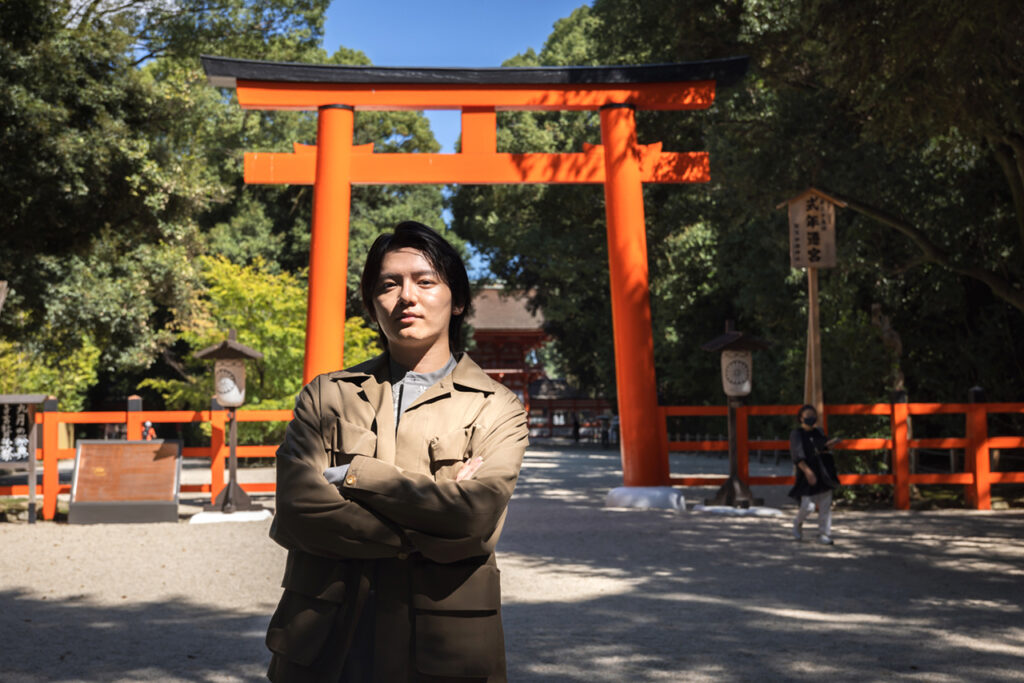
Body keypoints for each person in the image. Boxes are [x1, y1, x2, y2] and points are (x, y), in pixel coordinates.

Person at [265, 221, 529, 682]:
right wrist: (430, 522)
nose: (407, 296)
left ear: (458, 300)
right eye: (389, 285)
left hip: (444, 640)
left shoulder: (496, 406)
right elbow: (296, 507)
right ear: (372, 304)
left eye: (425, 282)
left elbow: (474, 517)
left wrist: (355, 475)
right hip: (326, 633)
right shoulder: (328, 395)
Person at [787, 404, 839, 545]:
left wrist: (831, 444)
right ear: (801, 418)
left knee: (825, 503)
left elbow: (823, 446)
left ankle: (824, 534)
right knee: (808, 506)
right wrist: (808, 472)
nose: (811, 418)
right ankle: (798, 522)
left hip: (822, 472)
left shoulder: (819, 432)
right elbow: (797, 456)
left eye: (813, 415)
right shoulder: (796, 434)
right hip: (806, 472)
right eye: (808, 416)